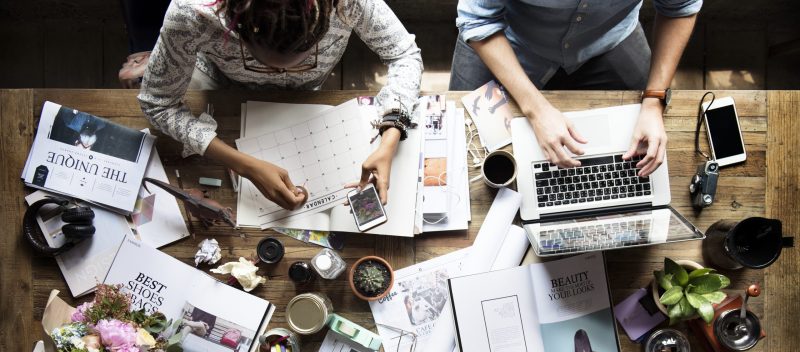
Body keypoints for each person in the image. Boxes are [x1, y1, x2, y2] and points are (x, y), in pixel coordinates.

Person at [138, 0, 422, 210]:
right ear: (236, 33)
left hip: (309, 95)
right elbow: (157, 103)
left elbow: (404, 55)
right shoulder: (191, 12)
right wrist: (244, 165)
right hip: (221, 87)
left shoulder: (351, 2)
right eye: (265, 63)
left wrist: (390, 136)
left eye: (303, 59)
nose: (280, 74)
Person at [451, 0, 702, 177]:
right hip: (505, 40)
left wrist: (654, 100)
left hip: (608, 42)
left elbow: (680, 8)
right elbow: (477, 19)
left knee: (643, 144)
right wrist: (537, 111)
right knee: (460, 148)